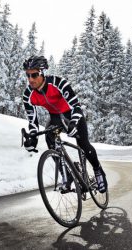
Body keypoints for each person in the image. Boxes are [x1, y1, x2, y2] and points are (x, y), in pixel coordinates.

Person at [22, 55, 107, 193]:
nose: (30, 79)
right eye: (28, 75)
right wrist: (32, 137)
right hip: (55, 117)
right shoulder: (28, 95)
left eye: (34, 75)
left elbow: (76, 107)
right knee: (49, 137)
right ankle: (66, 173)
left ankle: (98, 171)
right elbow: (32, 120)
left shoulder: (58, 83)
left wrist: (73, 123)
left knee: (83, 144)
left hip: (71, 114)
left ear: (42, 73)